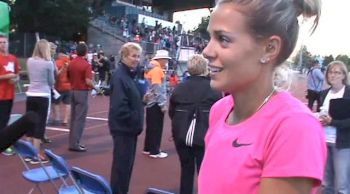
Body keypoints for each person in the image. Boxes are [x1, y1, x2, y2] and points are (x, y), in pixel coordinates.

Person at [198, 0, 327, 194]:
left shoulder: (295, 126)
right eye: (210, 37)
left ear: (269, 48)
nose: (206, 51)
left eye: (223, 39)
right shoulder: (220, 110)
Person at [169, 54, 221, 194]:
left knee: (186, 171)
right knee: (204, 173)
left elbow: (171, 112)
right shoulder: (213, 89)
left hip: (181, 135)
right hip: (204, 136)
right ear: (204, 68)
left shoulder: (179, 88)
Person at [108, 42, 144, 194]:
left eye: (138, 56)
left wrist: (141, 101)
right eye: (133, 56)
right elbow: (119, 107)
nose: (136, 59)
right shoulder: (120, 76)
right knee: (121, 169)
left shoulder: (129, 75)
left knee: (125, 169)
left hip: (129, 129)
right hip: (124, 129)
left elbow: (129, 99)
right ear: (124, 56)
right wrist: (135, 118)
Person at [318, 61, 350, 194]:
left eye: (337, 72)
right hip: (324, 142)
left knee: (341, 185)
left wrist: (332, 122)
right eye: (330, 72)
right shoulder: (324, 93)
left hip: (342, 144)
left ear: (344, 75)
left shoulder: (348, 93)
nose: (333, 75)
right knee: (326, 183)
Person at [25, 39, 55, 164]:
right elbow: (51, 81)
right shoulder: (48, 63)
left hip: (31, 93)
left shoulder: (30, 61)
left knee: (30, 123)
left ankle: (27, 152)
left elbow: (29, 76)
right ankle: (36, 154)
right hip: (42, 94)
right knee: (40, 124)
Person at [142, 49, 170, 158]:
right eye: (166, 60)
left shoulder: (149, 69)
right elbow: (157, 87)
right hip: (155, 102)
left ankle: (148, 148)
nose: (166, 62)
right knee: (156, 127)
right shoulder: (157, 70)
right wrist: (162, 104)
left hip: (150, 101)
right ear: (161, 59)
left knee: (150, 126)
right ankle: (154, 151)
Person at [67, 42, 94, 152]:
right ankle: (75, 143)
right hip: (82, 92)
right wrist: (96, 87)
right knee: (80, 119)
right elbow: (88, 81)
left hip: (73, 90)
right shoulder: (86, 65)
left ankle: (72, 142)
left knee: (73, 118)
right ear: (86, 52)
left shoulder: (71, 63)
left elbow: (68, 76)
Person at [0, 34, 20, 156]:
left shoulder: (13, 58)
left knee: (5, 119)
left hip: (9, 95)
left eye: (4, 42)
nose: (3, 44)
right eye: (1, 42)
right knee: (1, 121)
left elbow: (17, 74)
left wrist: (16, 79)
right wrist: (6, 77)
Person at [52, 53, 71, 126]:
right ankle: (65, 120)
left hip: (59, 86)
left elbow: (55, 74)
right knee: (68, 104)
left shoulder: (57, 62)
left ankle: (57, 118)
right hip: (68, 86)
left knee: (56, 103)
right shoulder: (70, 62)